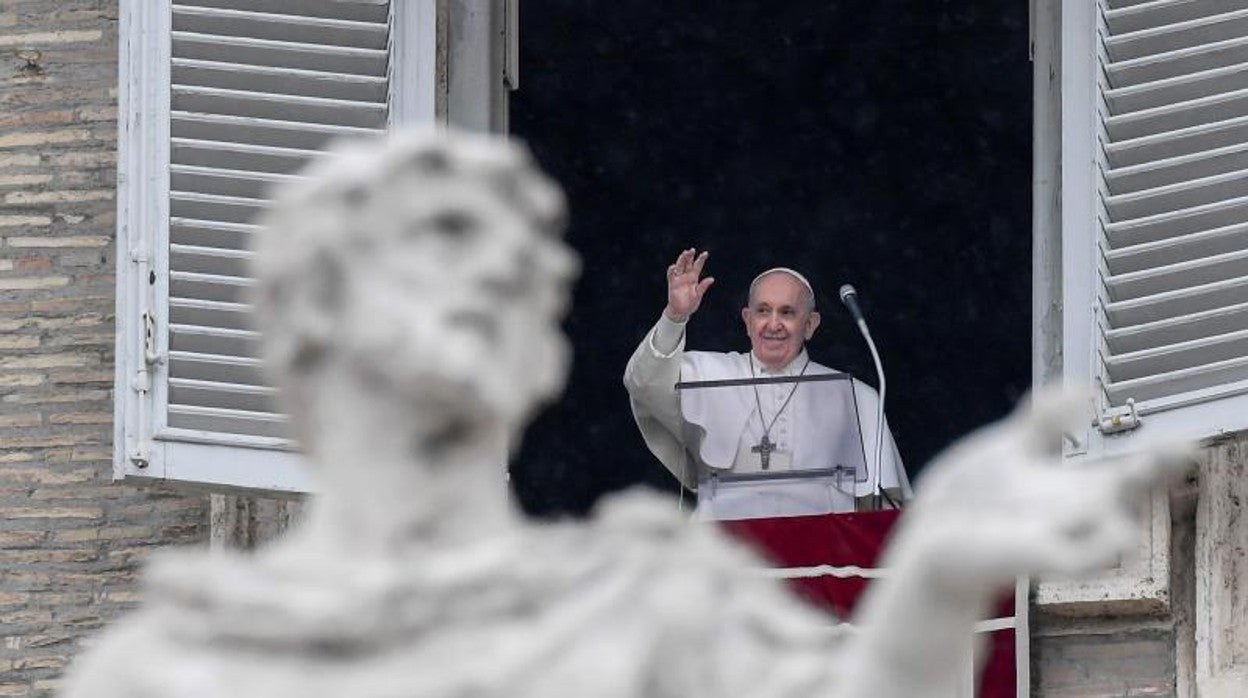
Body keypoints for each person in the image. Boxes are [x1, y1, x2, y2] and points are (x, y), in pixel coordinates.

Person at [624, 248, 911, 519]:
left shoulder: (854, 397)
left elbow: (881, 505)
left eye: (787, 312)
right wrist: (675, 317)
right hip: (726, 558)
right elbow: (643, 382)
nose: (773, 324)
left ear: (810, 324)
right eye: (763, 311)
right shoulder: (706, 374)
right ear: (747, 321)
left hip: (820, 559)